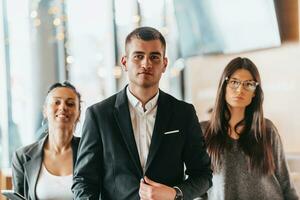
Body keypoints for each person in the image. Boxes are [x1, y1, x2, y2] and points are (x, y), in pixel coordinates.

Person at [72, 26, 212, 200]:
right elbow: (83, 180)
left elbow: (203, 175)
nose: (146, 64)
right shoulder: (99, 115)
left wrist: (175, 193)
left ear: (164, 64)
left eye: (154, 57)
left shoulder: (183, 113)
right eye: (138, 56)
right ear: (124, 62)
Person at [201, 57, 299, 200]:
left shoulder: (266, 130)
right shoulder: (204, 132)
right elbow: (198, 188)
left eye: (248, 84)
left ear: (254, 92)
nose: (240, 89)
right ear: (224, 85)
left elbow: (286, 185)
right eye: (234, 82)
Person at [12, 81, 81, 200]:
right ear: (45, 110)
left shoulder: (90, 151)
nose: (63, 107)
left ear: (78, 113)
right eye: (56, 102)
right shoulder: (22, 157)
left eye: (70, 104)